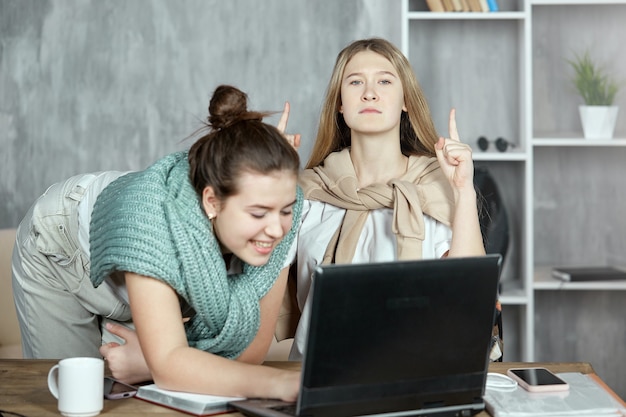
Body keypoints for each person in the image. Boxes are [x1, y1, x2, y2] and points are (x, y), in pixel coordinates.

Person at [11, 85, 303, 400]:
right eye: (258, 213)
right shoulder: (153, 223)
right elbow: (170, 365)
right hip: (62, 252)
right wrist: (279, 384)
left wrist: (151, 363)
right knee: (74, 397)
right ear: (212, 202)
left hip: (143, 271)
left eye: (284, 209)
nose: (275, 229)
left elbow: (250, 352)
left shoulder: (282, 212)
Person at [288, 37, 487, 360]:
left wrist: (464, 192)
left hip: (418, 379)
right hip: (314, 385)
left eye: (384, 80)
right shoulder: (306, 193)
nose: (369, 92)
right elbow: (253, 293)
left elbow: (469, 302)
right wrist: (264, 180)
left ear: (405, 100)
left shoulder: (436, 189)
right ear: (340, 103)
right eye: (355, 82)